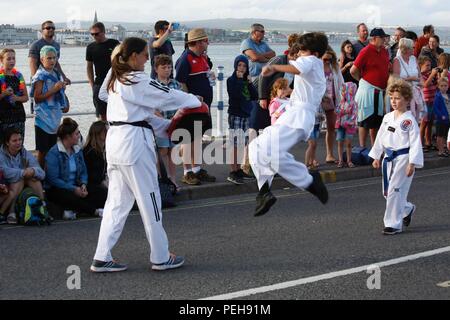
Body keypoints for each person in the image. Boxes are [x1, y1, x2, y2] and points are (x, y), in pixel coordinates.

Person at [91, 37, 201, 273]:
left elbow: (105, 97)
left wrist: (166, 124)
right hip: (134, 144)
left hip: (116, 142)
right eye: (144, 55)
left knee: (116, 204)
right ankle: (161, 257)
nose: (146, 60)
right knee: (150, 200)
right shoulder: (136, 78)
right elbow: (168, 95)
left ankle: (102, 256)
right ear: (133, 57)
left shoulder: (116, 78)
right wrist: (194, 101)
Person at [249, 32, 329, 217]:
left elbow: (298, 69)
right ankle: (264, 192)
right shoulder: (312, 64)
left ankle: (308, 181)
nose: (300, 53)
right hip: (292, 113)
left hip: (299, 116)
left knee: (270, 151)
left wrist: (273, 66)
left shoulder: (312, 62)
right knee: (256, 146)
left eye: (303, 50)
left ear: (314, 52)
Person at [369, 79, 423, 235]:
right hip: (388, 157)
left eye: (398, 98)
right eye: (391, 97)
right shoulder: (387, 117)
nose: (394, 101)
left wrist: (412, 163)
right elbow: (380, 137)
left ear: (407, 99)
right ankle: (407, 209)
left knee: (394, 190)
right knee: (387, 192)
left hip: (403, 158)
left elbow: (415, 143)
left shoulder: (409, 120)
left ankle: (393, 224)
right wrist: (376, 156)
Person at [175, 28, 216, 185]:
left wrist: (210, 75)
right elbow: (180, 82)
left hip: (203, 106)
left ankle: (197, 169)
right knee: (188, 139)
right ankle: (187, 172)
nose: (208, 43)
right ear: (198, 42)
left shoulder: (202, 57)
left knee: (197, 139)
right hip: (192, 107)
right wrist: (189, 100)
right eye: (205, 40)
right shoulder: (185, 59)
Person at [46, 118, 106, 220]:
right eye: (76, 134)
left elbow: (83, 171)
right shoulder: (54, 153)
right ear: (68, 136)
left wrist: (83, 184)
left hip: (76, 185)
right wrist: (73, 189)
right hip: (60, 188)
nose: (79, 136)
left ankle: (74, 210)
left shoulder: (77, 150)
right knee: (67, 196)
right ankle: (94, 211)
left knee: (101, 193)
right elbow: (53, 179)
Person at [30, 45, 70, 168]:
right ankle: (42, 177)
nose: (52, 61)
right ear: (42, 59)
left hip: (55, 117)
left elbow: (60, 90)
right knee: (43, 150)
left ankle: (51, 176)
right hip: (43, 118)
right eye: (49, 58)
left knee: (53, 149)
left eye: (54, 58)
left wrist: (66, 101)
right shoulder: (40, 76)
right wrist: (54, 89)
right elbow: (37, 98)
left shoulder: (56, 73)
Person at [351, 28, 391, 148]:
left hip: (381, 91)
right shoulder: (366, 51)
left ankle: (375, 148)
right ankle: (362, 147)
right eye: (382, 38)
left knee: (377, 122)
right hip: (368, 90)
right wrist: (362, 80)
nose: (385, 40)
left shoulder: (384, 51)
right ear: (374, 39)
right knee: (365, 121)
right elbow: (353, 70)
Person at [0, 128, 46, 224]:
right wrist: (23, 173)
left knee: (34, 179)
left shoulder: (25, 153)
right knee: (20, 179)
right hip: (7, 186)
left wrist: (32, 171)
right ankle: (11, 212)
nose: (18, 143)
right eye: (14, 140)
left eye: (20, 139)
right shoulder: (1, 155)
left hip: (22, 184)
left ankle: (43, 208)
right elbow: (5, 172)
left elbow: (42, 173)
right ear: (7, 143)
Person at [226, 54, 258, 185]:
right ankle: (233, 171)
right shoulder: (231, 80)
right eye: (239, 65)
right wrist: (239, 80)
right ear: (235, 66)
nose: (242, 68)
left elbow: (254, 96)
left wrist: (249, 83)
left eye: (244, 66)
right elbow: (235, 95)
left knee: (242, 144)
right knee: (235, 144)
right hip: (236, 114)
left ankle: (239, 169)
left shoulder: (246, 80)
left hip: (245, 114)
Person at [153, 54, 182, 189]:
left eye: (169, 67)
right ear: (156, 69)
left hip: (175, 121)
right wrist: (162, 119)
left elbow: (180, 100)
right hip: (160, 123)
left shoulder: (175, 84)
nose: (167, 70)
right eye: (163, 67)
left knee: (173, 151)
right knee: (162, 151)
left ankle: (172, 178)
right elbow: (151, 106)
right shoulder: (153, 85)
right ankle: (160, 177)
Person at [86, 22, 120, 121]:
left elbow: (123, 61)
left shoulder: (114, 43)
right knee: (101, 114)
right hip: (99, 82)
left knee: (116, 112)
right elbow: (89, 67)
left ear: (104, 32)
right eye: (92, 34)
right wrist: (92, 84)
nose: (94, 36)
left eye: (97, 34)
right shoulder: (90, 47)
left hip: (115, 82)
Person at [0, 48, 28, 144]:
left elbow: (26, 97)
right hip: (3, 118)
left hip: (18, 117)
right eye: (8, 59)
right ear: (1, 60)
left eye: (13, 58)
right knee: (4, 147)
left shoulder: (19, 76)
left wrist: (16, 98)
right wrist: (4, 94)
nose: (12, 61)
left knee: (18, 145)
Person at [392, 38, 424, 122]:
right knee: (404, 119)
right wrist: (410, 79)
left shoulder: (414, 59)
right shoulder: (397, 60)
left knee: (415, 119)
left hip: (416, 93)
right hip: (403, 94)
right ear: (406, 49)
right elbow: (395, 79)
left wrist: (422, 83)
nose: (414, 49)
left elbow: (420, 75)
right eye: (412, 47)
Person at [321, 47, 344, 164]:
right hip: (319, 101)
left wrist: (343, 99)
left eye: (330, 59)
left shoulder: (334, 68)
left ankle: (329, 154)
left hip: (332, 101)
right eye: (325, 59)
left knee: (331, 127)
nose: (327, 61)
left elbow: (341, 82)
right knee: (313, 130)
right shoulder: (316, 68)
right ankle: (311, 158)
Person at [83, 120, 109, 216]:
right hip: (91, 185)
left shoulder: (104, 149)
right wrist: (103, 182)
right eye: (105, 132)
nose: (108, 133)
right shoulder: (90, 151)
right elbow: (92, 175)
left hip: (101, 182)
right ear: (98, 134)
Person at [418, 55, 439, 152]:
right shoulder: (420, 75)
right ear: (420, 66)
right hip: (425, 102)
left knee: (430, 123)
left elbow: (436, 85)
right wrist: (432, 74)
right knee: (423, 124)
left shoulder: (430, 74)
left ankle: (428, 142)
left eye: (430, 65)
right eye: (427, 65)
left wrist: (437, 75)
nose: (429, 68)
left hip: (432, 101)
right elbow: (425, 84)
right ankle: (420, 144)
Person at [335, 82, 358, 168]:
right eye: (342, 91)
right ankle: (341, 160)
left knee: (348, 144)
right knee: (340, 142)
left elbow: (354, 115)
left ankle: (349, 160)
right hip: (340, 126)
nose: (343, 93)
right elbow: (336, 111)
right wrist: (342, 112)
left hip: (349, 127)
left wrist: (348, 122)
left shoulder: (353, 103)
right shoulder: (341, 102)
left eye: (345, 91)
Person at [433, 77, 450, 157]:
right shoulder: (438, 96)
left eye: (445, 85)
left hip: (447, 119)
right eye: (442, 86)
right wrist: (441, 116)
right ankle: (440, 151)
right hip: (441, 119)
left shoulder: (448, 95)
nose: (444, 87)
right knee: (439, 135)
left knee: (444, 135)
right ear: (439, 86)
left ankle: (443, 149)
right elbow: (435, 108)